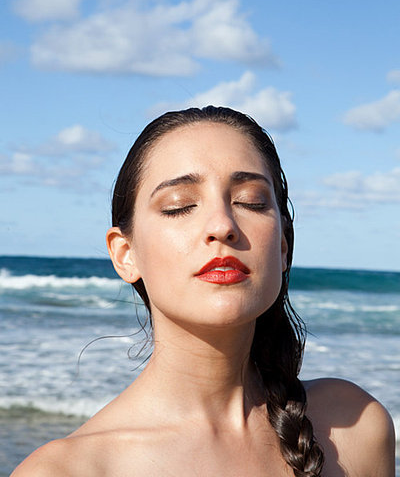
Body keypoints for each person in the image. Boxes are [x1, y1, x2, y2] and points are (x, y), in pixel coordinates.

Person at [12, 106, 395, 477]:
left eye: (251, 201)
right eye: (179, 206)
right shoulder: (68, 470)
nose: (222, 225)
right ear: (125, 254)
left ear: (283, 248)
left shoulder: (354, 427)